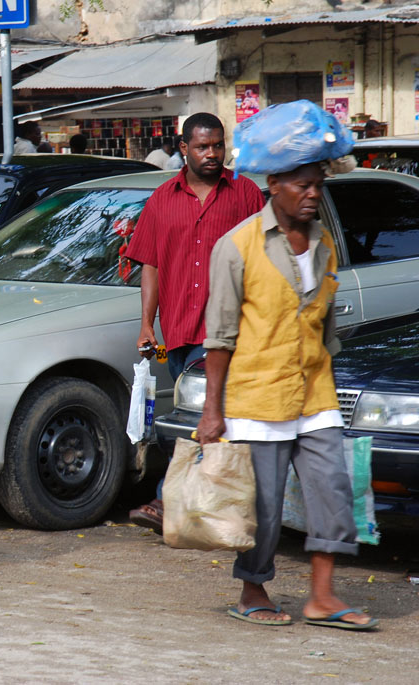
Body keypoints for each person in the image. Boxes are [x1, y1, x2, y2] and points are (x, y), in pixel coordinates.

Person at [198, 101, 376, 630]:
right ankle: (254, 591)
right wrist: (213, 412)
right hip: (258, 400)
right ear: (273, 185)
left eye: (318, 185)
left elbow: (324, 328)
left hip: (315, 391)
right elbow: (219, 336)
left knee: (333, 493)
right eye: (302, 185)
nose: (313, 194)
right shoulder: (237, 248)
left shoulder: (323, 245)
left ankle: (322, 597)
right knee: (266, 511)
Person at [124, 112, 265, 533]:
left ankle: (168, 501)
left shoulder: (245, 194)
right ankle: (209, 504)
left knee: (211, 414)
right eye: (203, 147)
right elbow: (149, 263)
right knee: (197, 419)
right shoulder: (163, 199)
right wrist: (147, 325)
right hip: (180, 329)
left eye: (218, 145)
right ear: (183, 149)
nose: (212, 154)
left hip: (228, 331)